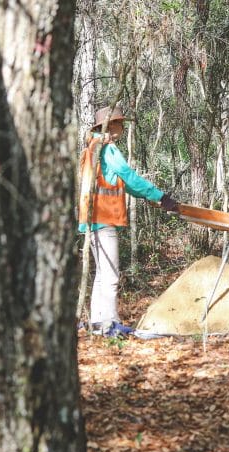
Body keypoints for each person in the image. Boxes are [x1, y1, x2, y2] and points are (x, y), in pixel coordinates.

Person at [78, 105, 179, 337]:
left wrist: (148, 196)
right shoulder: (107, 148)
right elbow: (128, 175)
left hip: (91, 221)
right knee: (111, 276)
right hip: (104, 219)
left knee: (102, 275)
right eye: (120, 123)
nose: (122, 128)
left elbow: (120, 182)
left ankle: (98, 324)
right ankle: (110, 324)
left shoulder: (91, 148)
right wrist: (160, 197)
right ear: (110, 126)